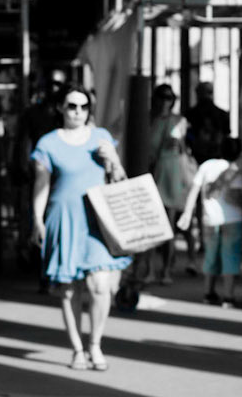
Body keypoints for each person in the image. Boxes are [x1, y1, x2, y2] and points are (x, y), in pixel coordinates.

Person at [30, 86, 131, 370]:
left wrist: (112, 157)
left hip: (98, 220)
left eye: (84, 107)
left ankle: (95, 345)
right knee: (69, 289)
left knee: (100, 285)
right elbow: (41, 184)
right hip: (63, 218)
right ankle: (77, 349)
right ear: (61, 108)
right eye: (72, 106)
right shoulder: (48, 143)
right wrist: (37, 220)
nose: (78, 112)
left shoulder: (101, 138)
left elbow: (120, 177)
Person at [176, 135, 242, 305]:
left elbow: (193, 190)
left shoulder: (207, 166)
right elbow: (238, 196)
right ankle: (228, 296)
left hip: (209, 219)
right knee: (230, 256)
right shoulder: (237, 170)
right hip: (233, 219)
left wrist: (187, 212)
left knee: (211, 255)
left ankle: (208, 292)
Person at [144, 84, 195, 283]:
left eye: (169, 98)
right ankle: (147, 268)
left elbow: (181, 147)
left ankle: (166, 269)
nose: (165, 102)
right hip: (150, 173)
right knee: (148, 226)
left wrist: (178, 144)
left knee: (168, 227)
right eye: (162, 97)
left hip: (170, 174)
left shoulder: (179, 121)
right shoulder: (147, 119)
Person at [186, 80, 230, 164]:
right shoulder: (222, 114)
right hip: (204, 155)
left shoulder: (191, 114)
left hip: (205, 155)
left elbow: (225, 134)